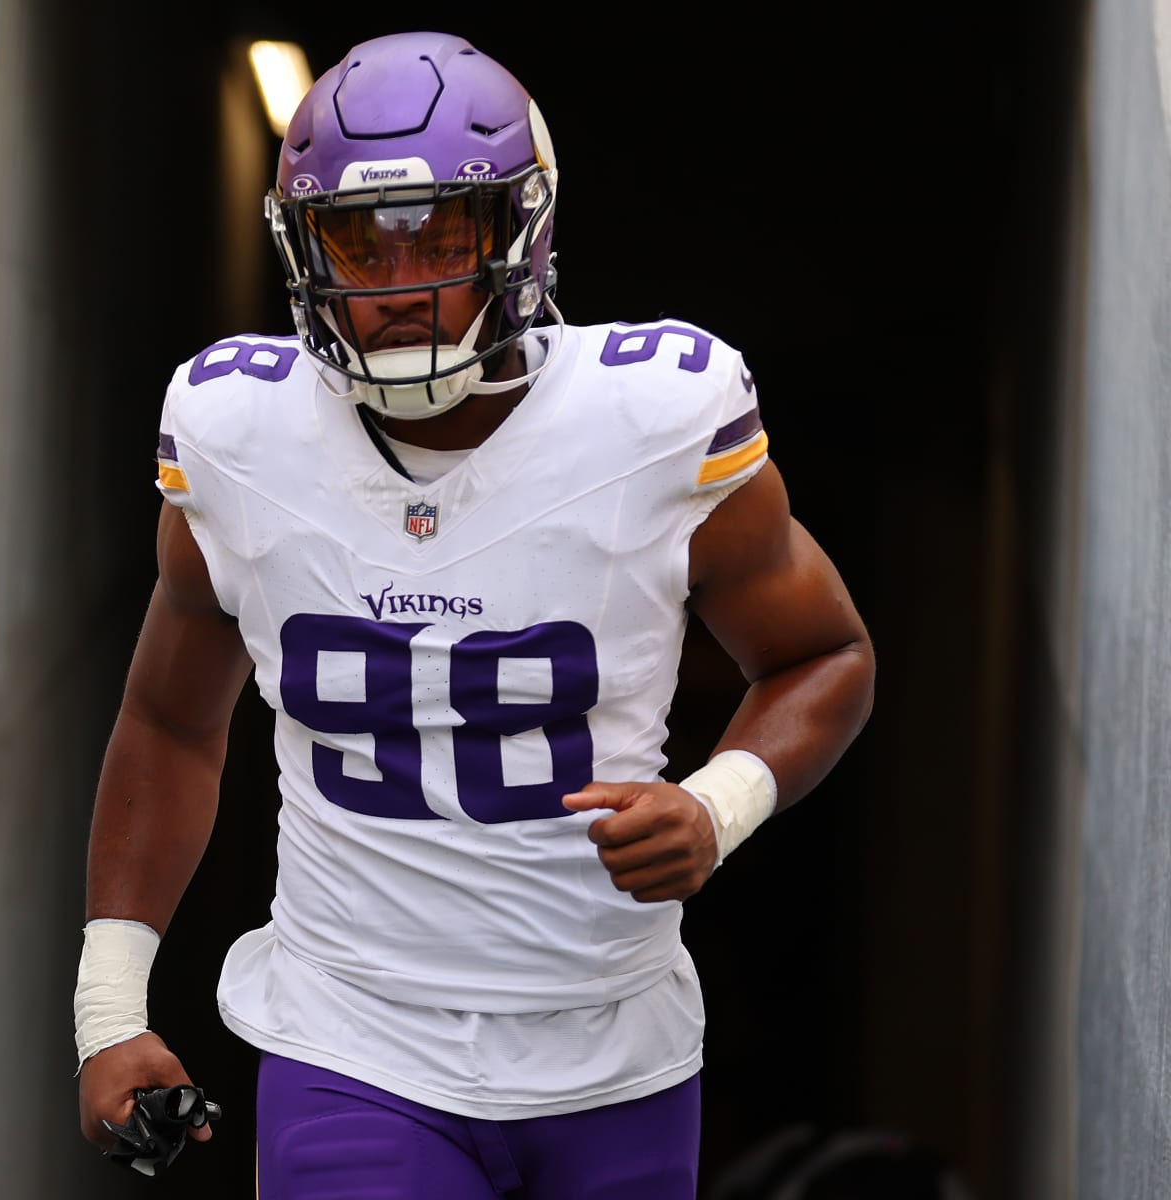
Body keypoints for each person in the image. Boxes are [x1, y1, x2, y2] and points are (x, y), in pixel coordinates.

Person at [73, 29, 875, 1200]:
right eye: (355, 243)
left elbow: (825, 654)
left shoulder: (655, 419)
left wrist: (717, 805)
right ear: (302, 250)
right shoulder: (235, 434)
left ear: (520, 232)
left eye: (438, 236)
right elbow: (170, 721)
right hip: (352, 1037)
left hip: (612, 1051)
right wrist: (108, 1009)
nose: (395, 287)